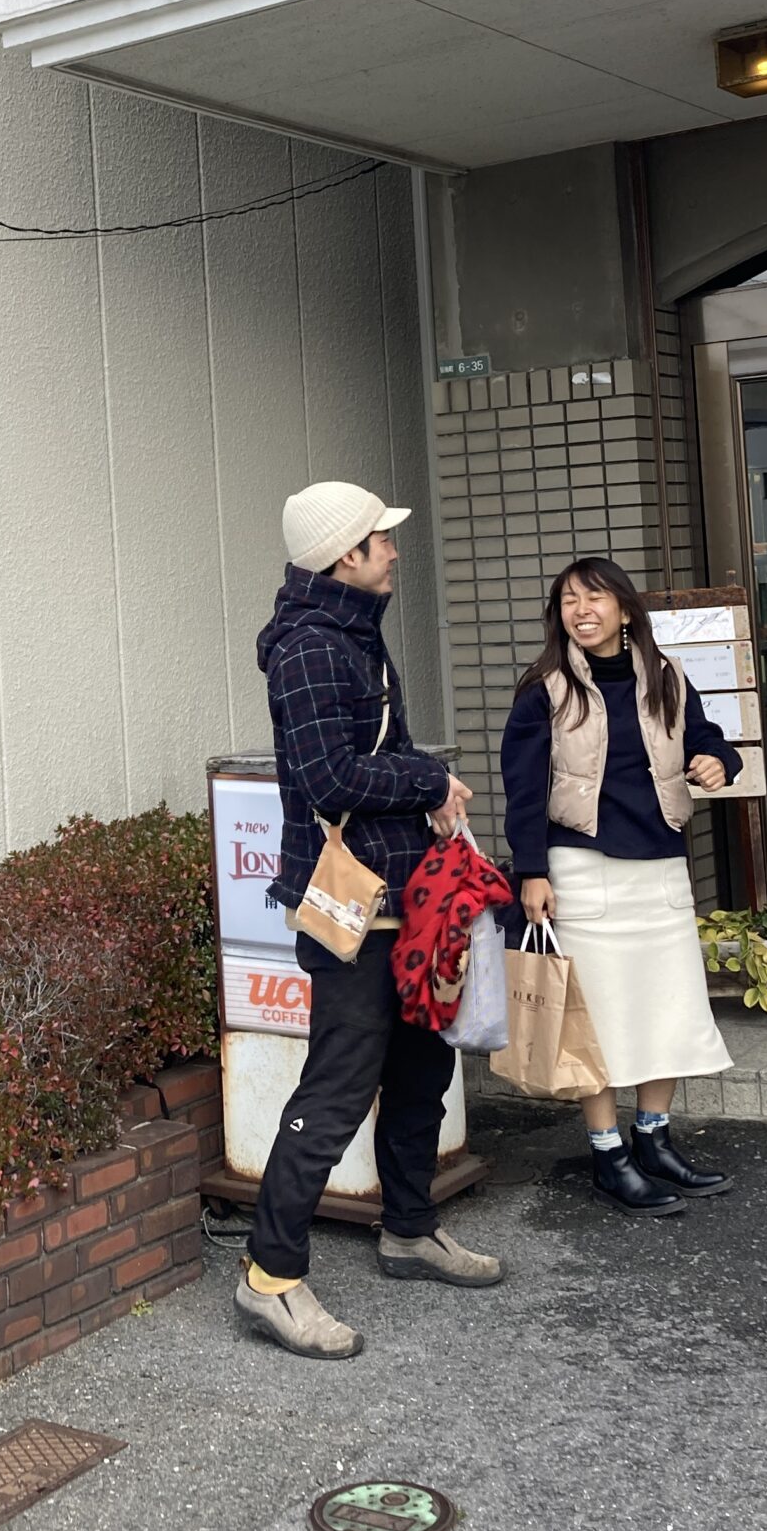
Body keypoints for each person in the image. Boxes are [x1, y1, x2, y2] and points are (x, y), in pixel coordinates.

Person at [236, 480, 504, 1361]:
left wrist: (429, 794)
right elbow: (328, 780)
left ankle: (409, 1229)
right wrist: (429, 780)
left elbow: (373, 752)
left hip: (402, 896)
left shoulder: (353, 630)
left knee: (424, 1067)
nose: (393, 549)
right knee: (339, 1087)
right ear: (344, 555)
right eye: (380, 538)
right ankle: (269, 1276)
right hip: (348, 907)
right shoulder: (311, 648)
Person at [500, 556, 740, 1216]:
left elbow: (709, 739)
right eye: (569, 601)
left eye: (595, 598)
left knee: (668, 1008)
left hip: (660, 867)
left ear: (626, 609)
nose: (581, 611)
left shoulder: (666, 676)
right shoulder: (545, 690)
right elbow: (524, 791)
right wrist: (531, 871)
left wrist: (716, 760)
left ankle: (653, 1141)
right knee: (598, 1020)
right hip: (582, 869)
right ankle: (608, 1154)